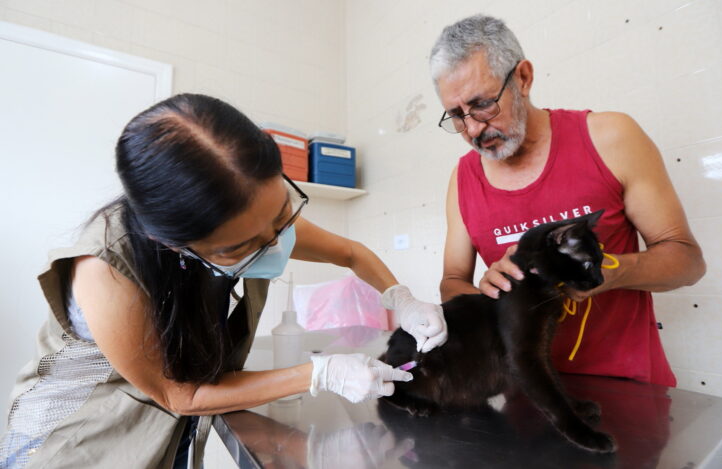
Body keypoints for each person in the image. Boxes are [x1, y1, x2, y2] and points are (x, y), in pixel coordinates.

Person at [0, 94, 447, 469]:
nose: (278, 244)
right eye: (246, 244)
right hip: (78, 444)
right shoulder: (106, 268)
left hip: (167, 433)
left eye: (279, 217)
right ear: (174, 244)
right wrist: (321, 373)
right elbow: (180, 393)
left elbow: (350, 253)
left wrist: (402, 298)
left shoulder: (255, 211)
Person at [432, 15, 705, 387]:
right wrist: (489, 291)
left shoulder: (609, 137)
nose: (473, 129)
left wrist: (607, 272)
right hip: (525, 391)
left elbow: (687, 261)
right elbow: (451, 282)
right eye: (457, 116)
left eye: (483, 104)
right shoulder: (463, 179)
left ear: (523, 78)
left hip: (628, 388)